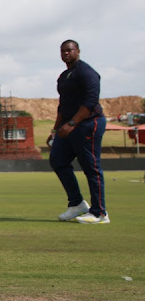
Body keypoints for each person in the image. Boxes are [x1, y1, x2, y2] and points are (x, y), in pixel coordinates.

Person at [47, 40, 109, 224]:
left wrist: (72, 123)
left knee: (91, 167)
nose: (65, 53)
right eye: (62, 51)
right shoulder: (64, 76)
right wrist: (55, 129)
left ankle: (100, 213)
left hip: (88, 123)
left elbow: (90, 102)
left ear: (78, 51)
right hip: (68, 126)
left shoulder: (86, 72)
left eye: (69, 50)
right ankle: (77, 204)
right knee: (57, 160)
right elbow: (63, 105)